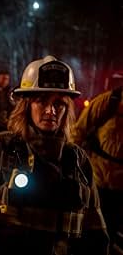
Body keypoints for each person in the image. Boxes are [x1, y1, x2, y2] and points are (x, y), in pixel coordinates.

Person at [0, 55, 109, 255]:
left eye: (59, 103)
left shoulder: (77, 162)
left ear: (67, 110)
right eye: (41, 101)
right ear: (26, 105)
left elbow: (95, 237)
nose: (51, 110)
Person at [73, 86, 123, 255]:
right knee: (91, 231)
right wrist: (70, 164)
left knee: (111, 231)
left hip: (120, 188)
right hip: (98, 180)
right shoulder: (110, 101)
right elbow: (78, 131)